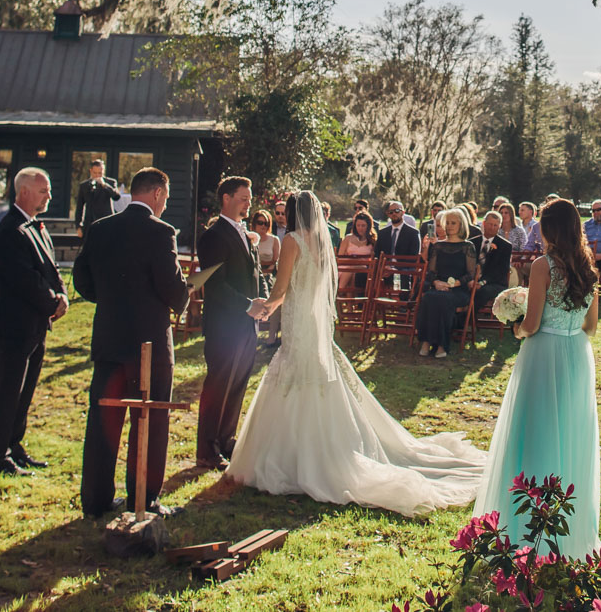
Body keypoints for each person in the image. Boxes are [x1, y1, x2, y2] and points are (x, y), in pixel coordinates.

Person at [233, 190, 487, 514]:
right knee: (314, 377)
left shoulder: (292, 241)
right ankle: (319, 449)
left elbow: (281, 289)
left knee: (295, 374)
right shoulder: (322, 241)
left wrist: (262, 307)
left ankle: (294, 458)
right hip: (315, 322)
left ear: (293, 213)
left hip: (299, 319)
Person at [473, 198, 601, 552]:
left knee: (537, 429)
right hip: (577, 353)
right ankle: (569, 527)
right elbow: (591, 326)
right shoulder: (589, 269)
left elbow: (531, 325)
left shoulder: (544, 266)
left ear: (548, 228)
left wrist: (516, 328)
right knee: (570, 431)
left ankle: (528, 525)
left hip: (544, 353)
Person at [74, 167, 190, 517]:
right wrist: (184, 296)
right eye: (166, 198)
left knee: (103, 419)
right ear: (157, 194)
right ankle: (145, 497)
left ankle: (95, 500)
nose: (165, 205)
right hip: (149, 343)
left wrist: (110, 301)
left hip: (110, 336)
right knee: (150, 420)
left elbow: (81, 279)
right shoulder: (161, 232)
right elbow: (172, 287)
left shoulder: (100, 228)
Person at [0, 168, 67, 477]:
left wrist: (62, 294)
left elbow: (51, 267)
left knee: (26, 389)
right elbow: (22, 278)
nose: (49, 196)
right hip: (16, 323)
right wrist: (50, 301)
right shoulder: (9, 231)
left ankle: (14, 445)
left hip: (37, 322)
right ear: (24, 192)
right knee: (8, 390)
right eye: (43, 191)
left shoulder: (37, 227)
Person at [196, 176, 265, 470]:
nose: (248, 203)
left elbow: (255, 273)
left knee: (238, 383)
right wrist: (248, 305)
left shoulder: (244, 233)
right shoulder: (214, 236)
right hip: (225, 324)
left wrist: (263, 300)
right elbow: (214, 285)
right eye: (243, 198)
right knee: (219, 383)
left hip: (247, 324)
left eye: (249, 199)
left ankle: (226, 439)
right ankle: (207, 448)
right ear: (226, 198)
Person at [416, 209, 477, 358]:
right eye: (447, 223)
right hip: (439, 287)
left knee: (443, 299)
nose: (449, 226)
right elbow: (431, 272)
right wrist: (436, 282)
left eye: (453, 223)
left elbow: (471, 274)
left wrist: (455, 284)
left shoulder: (468, 246)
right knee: (429, 297)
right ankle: (426, 341)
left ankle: (442, 345)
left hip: (458, 290)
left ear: (461, 224)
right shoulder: (438, 246)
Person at [475, 211, 513, 308]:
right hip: (472, 280)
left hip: (495, 283)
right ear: (484, 223)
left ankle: (467, 318)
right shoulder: (472, 242)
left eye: (495, 225)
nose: (492, 228)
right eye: (490, 224)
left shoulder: (505, 246)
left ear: (499, 226)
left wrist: (482, 283)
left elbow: (502, 271)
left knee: (483, 291)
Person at [74, 159, 121, 232]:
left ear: (103, 172)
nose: (97, 175)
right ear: (90, 171)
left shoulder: (111, 182)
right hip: (90, 223)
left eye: (100, 173)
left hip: (107, 222)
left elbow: (116, 197)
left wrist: (104, 185)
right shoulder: (84, 185)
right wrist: (78, 226)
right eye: (95, 173)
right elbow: (79, 207)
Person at [252, 210, 280, 276]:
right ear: (254, 223)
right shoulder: (249, 238)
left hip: (269, 276)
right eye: (260, 223)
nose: (263, 226)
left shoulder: (274, 240)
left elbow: (276, 261)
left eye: (266, 223)